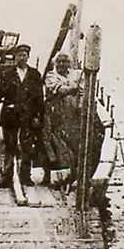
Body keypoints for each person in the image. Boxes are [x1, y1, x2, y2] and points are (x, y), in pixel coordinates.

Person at [0, 43, 45, 188]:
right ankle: (7, 177)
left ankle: (25, 176)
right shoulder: (7, 74)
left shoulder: (35, 75)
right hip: (10, 115)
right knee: (10, 146)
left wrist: (38, 116)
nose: (21, 58)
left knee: (27, 146)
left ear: (28, 57)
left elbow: (39, 98)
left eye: (24, 55)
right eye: (19, 55)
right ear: (15, 57)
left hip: (28, 116)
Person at [42, 52, 84, 190]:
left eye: (65, 62)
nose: (62, 64)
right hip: (55, 116)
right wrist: (73, 88)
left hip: (73, 115)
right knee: (53, 146)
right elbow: (59, 90)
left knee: (74, 146)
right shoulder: (51, 76)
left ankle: (73, 176)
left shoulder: (77, 75)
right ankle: (51, 178)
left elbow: (84, 90)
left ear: (69, 64)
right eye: (59, 62)